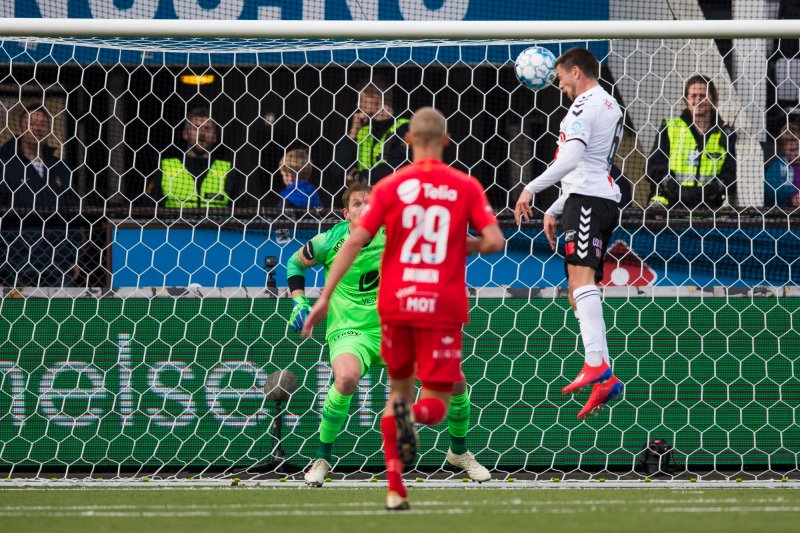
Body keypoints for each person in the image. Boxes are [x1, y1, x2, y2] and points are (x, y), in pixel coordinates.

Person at [303, 107, 504, 510]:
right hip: (439, 309)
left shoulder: (391, 188)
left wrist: (321, 297)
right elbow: (495, 242)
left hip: (398, 308)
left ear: (408, 140)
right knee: (433, 398)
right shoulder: (464, 186)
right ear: (447, 141)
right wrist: (448, 245)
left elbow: (356, 240)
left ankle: (404, 483)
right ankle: (330, 454)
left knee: (401, 397)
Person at [288, 182, 492, 488]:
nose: (366, 208)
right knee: (345, 379)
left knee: (454, 380)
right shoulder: (330, 240)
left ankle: (459, 452)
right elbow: (294, 262)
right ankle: (322, 457)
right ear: (346, 213)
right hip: (352, 331)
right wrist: (299, 300)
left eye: (371, 202)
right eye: (358, 204)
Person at [514, 47, 625, 421]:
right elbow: (592, 164)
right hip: (593, 198)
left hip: (589, 202)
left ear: (576, 71)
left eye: (560, 77)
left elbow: (572, 160)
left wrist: (530, 188)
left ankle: (597, 366)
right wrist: (556, 207)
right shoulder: (609, 104)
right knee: (579, 293)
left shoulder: (581, 106)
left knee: (579, 284)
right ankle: (603, 374)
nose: (559, 84)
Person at [0, 106, 81, 287]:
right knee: (18, 313)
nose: (38, 128)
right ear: (20, 129)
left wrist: (76, 255)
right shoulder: (5, 166)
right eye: (32, 123)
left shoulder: (61, 167)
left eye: (43, 124)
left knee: (62, 313)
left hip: (59, 261)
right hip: (16, 263)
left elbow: (74, 214)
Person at [645, 75, 736, 209]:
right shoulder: (671, 128)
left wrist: (708, 190)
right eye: (693, 96)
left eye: (703, 95)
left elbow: (731, 175)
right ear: (686, 100)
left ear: (713, 99)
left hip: (708, 214)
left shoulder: (725, 134)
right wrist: (676, 189)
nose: (698, 100)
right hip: (668, 211)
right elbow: (652, 168)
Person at [150, 107, 243, 211]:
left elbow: (242, 212)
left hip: (215, 227)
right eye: (196, 128)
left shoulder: (228, 171)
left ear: (214, 137)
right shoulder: (166, 168)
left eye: (207, 129)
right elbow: (147, 210)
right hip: (175, 226)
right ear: (185, 134)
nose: (202, 134)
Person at [331, 80, 410, 190]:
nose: (357, 104)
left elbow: (399, 166)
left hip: (392, 194)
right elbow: (337, 170)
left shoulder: (405, 128)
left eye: (361, 99)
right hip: (364, 198)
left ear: (375, 98)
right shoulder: (363, 130)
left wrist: (360, 177)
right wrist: (353, 132)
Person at [764, 122, 800, 208]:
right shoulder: (778, 167)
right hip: (784, 212)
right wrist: (792, 196)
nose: (798, 153)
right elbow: (770, 190)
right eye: (792, 150)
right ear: (783, 150)